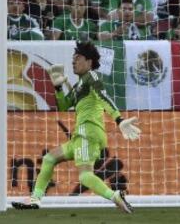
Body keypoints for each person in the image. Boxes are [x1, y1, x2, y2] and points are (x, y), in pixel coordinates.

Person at [12, 41, 141, 213]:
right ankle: (35, 199)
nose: (73, 62)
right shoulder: (78, 85)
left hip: (88, 132)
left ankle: (115, 195)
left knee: (85, 175)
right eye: (73, 59)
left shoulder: (92, 77)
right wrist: (57, 87)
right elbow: (63, 106)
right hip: (80, 136)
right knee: (49, 158)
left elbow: (104, 97)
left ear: (89, 62)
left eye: (78, 58)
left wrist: (119, 119)